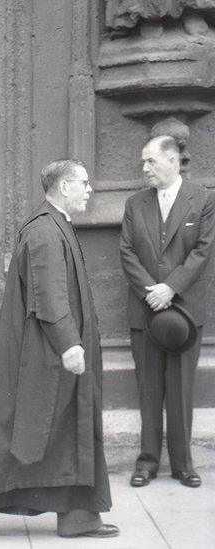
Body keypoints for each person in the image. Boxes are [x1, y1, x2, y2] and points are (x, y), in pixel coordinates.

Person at [0, 159, 116, 542]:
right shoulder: (43, 232)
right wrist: (69, 343)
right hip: (45, 354)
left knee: (64, 430)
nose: (89, 190)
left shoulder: (55, 226)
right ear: (64, 186)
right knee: (28, 432)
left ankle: (79, 515)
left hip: (51, 350)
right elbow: (50, 298)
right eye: (84, 183)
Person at [120, 135, 214, 489]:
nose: (144, 169)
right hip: (145, 310)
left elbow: (203, 252)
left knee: (181, 388)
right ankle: (146, 462)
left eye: (151, 162)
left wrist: (170, 288)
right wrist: (151, 291)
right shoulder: (134, 203)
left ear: (173, 161)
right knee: (148, 388)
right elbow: (126, 252)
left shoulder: (203, 199)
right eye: (144, 162)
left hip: (185, 313)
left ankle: (183, 464)